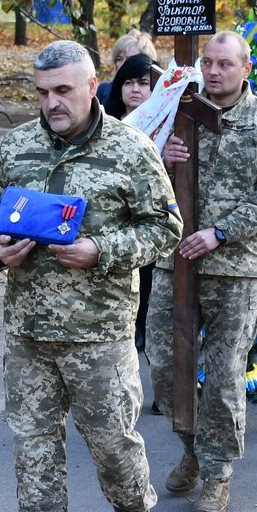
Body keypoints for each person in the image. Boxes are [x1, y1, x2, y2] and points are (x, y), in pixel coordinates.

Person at [0, 40, 182, 512]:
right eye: (42, 93)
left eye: (63, 90)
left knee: (113, 445)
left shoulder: (131, 150)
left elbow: (165, 229)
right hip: (29, 333)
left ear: (92, 87)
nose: (52, 103)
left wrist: (102, 249)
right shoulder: (16, 147)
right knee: (33, 450)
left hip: (100, 334)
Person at [147, 32, 257, 512]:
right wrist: (160, 162)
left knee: (226, 371)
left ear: (245, 69)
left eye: (224, 64)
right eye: (207, 62)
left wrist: (220, 232)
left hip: (233, 269)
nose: (213, 71)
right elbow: (138, 177)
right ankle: (190, 449)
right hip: (175, 261)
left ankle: (217, 473)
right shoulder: (176, 111)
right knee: (166, 364)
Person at [102, 52, 162, 362]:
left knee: (151, 300)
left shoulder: (170, 127)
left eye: (143, 83)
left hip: (149, 227)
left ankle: (164, 382)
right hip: (109, 227)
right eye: (128, 82)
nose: (135, 89)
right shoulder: (103, 125)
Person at [97, 29, 158, 108]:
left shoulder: (158, 93)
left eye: (130, 59)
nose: (123, 64)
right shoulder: (103, 89)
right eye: (119, 59)